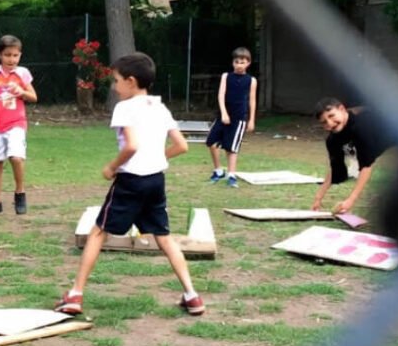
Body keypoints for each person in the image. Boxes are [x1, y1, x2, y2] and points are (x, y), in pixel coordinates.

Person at [54, 51, 204, 317]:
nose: (114, 87)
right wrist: (157, 156)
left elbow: (131, 145)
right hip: (156, 180)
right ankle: (192, 296)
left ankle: (75, 294)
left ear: (131, 81)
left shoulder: (124, 108)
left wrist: (112, 167)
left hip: (131, 181)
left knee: (98, 232)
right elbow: (182, 146)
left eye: (116, 80)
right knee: (164, 237)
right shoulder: (159, 107)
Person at [0, 33, 37, 216]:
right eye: (7, 55)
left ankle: (20, 193)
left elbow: (33, 97)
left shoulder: (22, 73)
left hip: (16, 122)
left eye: (15, 55)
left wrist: (22, 92)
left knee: (16, 157)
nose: (11, 59)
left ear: (20, 55)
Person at [311, 98, 389, 215]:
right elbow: (335, 169)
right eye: (324, 122)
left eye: (331, 116)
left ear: (342, 109)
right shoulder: (332, 140)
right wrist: (319, 196)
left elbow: (366, 166)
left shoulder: (361, 126)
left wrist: (350, 200)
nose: (330, 123)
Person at [206, 46, 257, 188]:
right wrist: (224, 113)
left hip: (239, 117)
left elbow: (252, 101)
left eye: (242, 62)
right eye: (236, 62)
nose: (239, 65)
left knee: (232, 148)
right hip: (223, 116)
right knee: (211, 142)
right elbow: (221, 95)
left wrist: (251, 120)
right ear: (233, 62)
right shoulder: (226, 76)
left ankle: (232, 175)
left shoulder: (251, 80)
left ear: (248, 63)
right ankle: (218, 170)